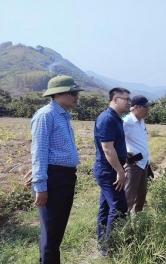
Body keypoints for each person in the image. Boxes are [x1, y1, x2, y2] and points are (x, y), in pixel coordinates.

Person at [28, 74, 84, 263]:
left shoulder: (62, 115)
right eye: (72, 92)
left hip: (65, 177)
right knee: (52, 234)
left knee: (55, 231)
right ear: (57, 94)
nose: (76, 96)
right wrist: (40, 185)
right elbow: (39, 151)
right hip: (54, 179)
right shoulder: (46, 115)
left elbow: (48, 150)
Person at [93, 87, 131, 256]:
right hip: (109, 170)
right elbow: (107, 149)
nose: (129, 102)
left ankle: (104, 245)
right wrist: (120, 171)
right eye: (126, 99)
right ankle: (112, 248)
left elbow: (114, 146)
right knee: (119, 207)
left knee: (107, 207)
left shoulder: (116, 118)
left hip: (112, 168)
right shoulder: (107, 118)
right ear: (115, 99)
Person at [123, 95, 154, 214]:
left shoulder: (141, 121)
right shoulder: (126, 122)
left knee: (141, 197)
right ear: (136, 107)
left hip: (144, 163)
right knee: (128, 196)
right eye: (145, 107)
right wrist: (125, 155)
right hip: (133, 165)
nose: (147, 110)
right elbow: (114, 141)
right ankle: (122, 225)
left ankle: (136, 223)